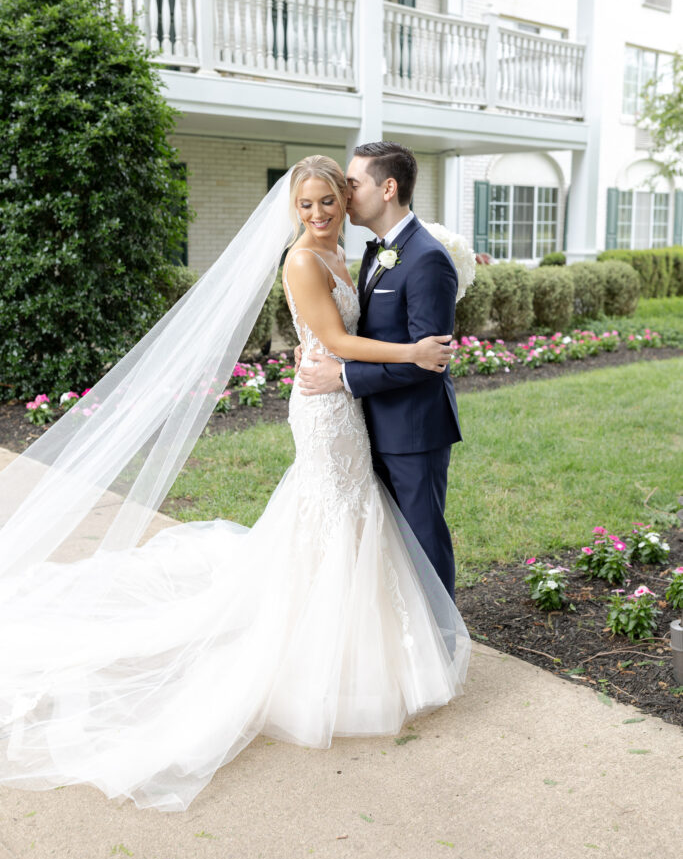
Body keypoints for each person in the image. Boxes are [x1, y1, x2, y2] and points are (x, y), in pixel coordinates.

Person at [0, 156, 470, 813]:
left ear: (348, 197)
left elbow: (359, 331)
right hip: (326, 408)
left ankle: (375, 646)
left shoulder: (356, 255)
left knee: (356, 519)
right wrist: (409, 354)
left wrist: (375, 360)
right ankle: (319, 660)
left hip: (351, 404)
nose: (319, 212)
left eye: (330, 199)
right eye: (305, 204)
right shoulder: (303, 261)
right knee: (333, 513)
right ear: (293, 207)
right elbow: (334, 336)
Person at [298, 142, 462, 600]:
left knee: (422, 544)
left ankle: (441, 652)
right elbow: (365, 330)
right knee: (385, 548)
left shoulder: (426, 258)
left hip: (413, 429)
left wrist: (343, 377)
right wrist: (313, 339)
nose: (345, 195)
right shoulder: (375, 252)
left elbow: (427, 362)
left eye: (352, 184)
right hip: (369, 425)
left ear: (388, 188)